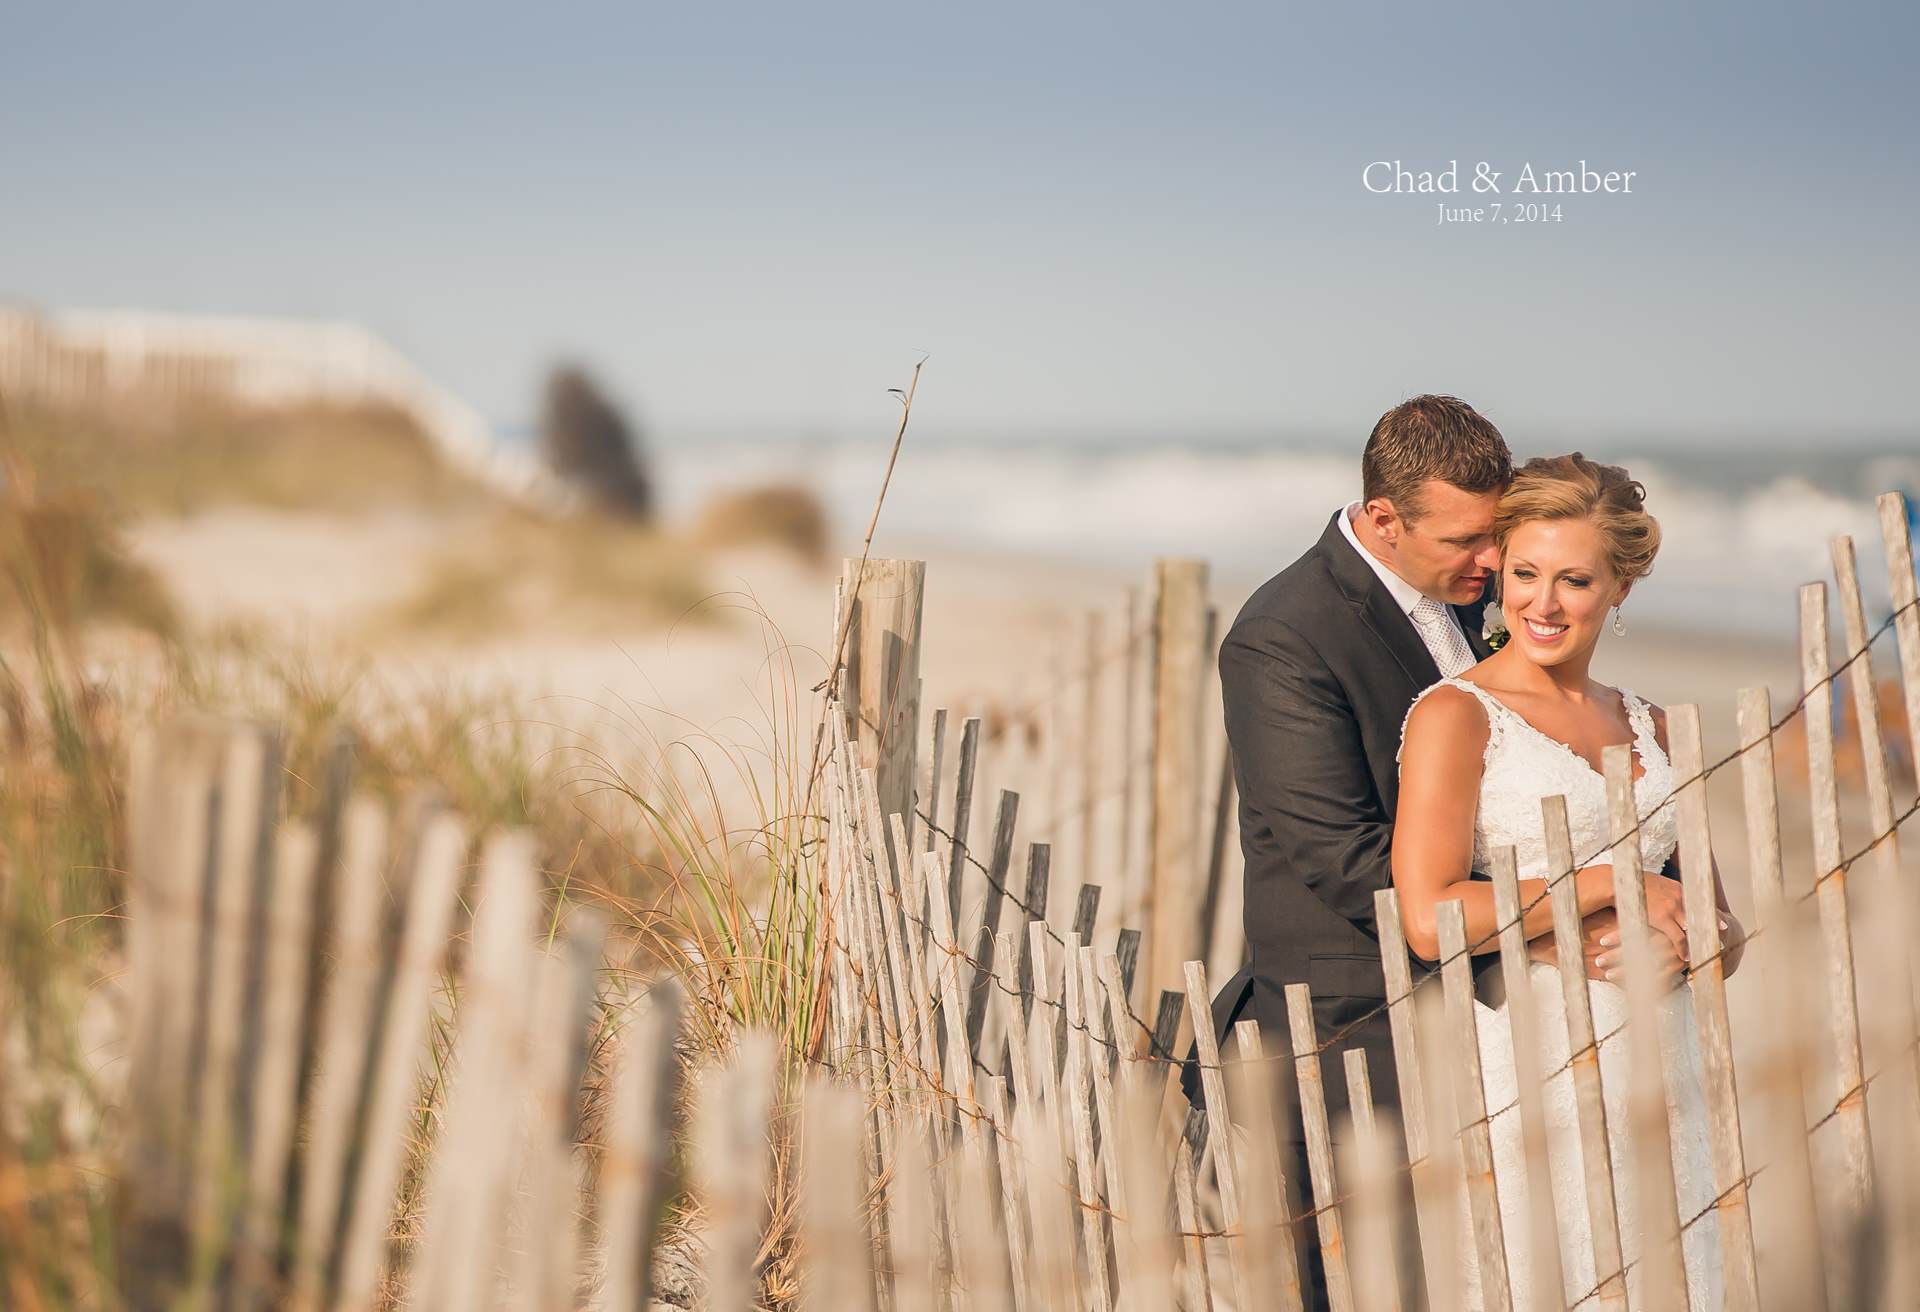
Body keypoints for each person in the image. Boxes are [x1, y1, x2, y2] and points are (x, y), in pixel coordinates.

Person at [1188, 394, 1566, 1308]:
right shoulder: (1283, 636)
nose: (1493, 561)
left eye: (1499, 533)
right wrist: (1560, 909)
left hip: (1501, 1015)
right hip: (1357, 1035)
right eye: (1465, 541)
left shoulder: (1484, 596)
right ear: (1383, 519)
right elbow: (1344, 860)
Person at [1394, 453, 1744, 1308]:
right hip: (1532, 1066)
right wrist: (1601, 885)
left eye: (1575, 579)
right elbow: (1430, 916)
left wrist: (1701, 943)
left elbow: (1724, 930)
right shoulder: (1456, 714)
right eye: (1524, 574)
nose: (1542, 604)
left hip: (1666, 1070)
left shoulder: (1652, 725)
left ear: (1619, 588)